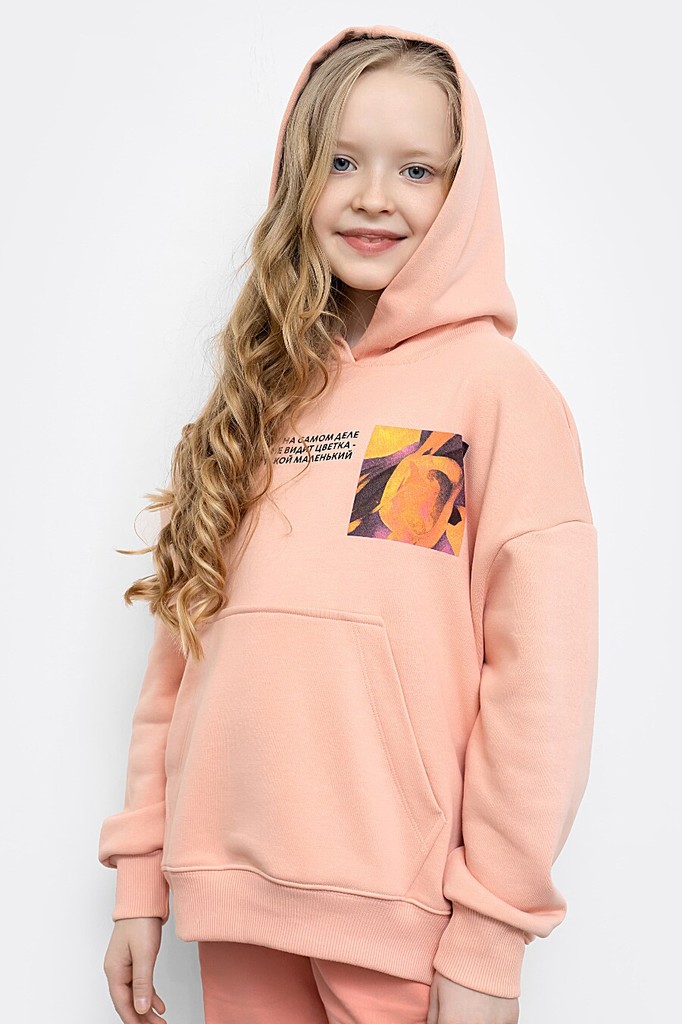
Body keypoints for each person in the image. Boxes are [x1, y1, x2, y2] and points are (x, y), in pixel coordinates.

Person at [98, 23, 599, 1024]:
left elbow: (539, 687)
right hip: (231, 898)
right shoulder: (254, 398)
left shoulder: (496, 393)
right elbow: (178, 659)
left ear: (461, 191)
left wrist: (490, 937)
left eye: (416, 169)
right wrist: (141, 877)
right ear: (298, 178)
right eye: (340, 162)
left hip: (400, 918)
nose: (374, 196)